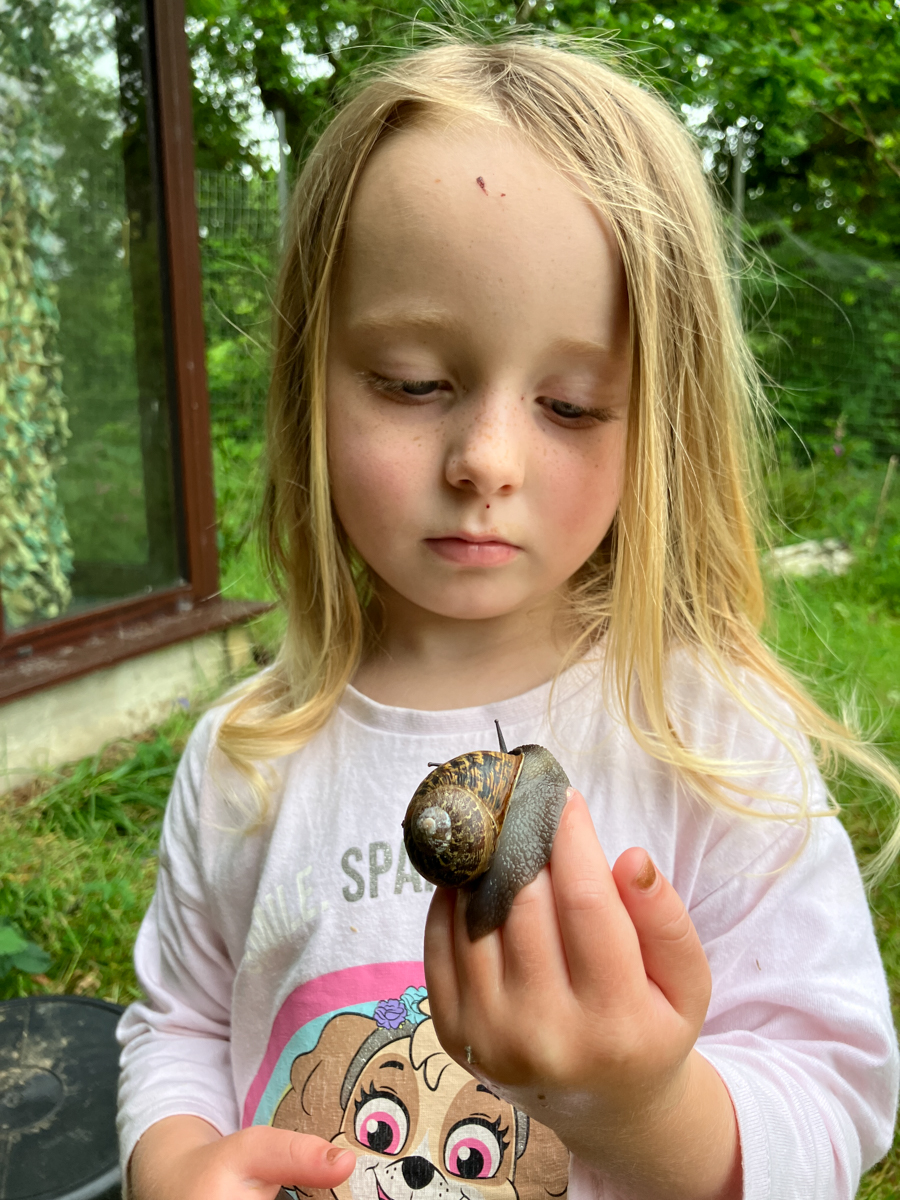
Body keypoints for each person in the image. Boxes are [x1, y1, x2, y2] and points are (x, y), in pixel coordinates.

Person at [117, 36, 900, 1200]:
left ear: (660, 422)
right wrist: (174, 1159)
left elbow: (836, 1088)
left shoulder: (712, 743)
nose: (486, 459)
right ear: (309, 385)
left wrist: (645, 1111)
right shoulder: (245, 754)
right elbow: (179, 1021)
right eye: (412, 382)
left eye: (571, 405)